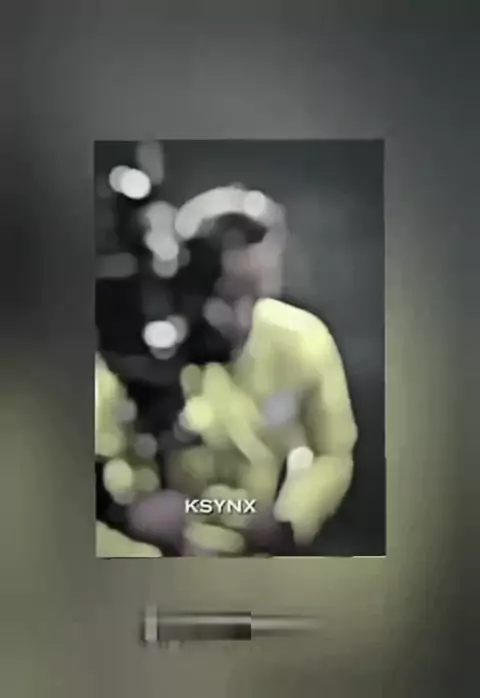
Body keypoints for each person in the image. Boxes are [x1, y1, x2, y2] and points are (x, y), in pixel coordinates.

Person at [96, 186, 358, 556]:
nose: (239, 320)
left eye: (255, 299)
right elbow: (104, 458)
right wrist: (131, 514)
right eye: (223, 299)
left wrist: (290, 520)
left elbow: (332, 452)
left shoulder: (302, 339)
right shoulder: (142, 351)